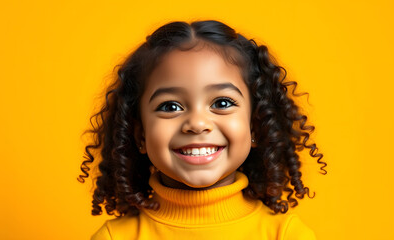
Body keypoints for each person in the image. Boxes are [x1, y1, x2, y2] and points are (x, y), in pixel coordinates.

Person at [78, 20, 327, 240]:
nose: (197, 123)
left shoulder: (286, 235)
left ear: (255, 126)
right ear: (140, 134)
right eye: (170, 106)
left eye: (222, 103)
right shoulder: (115, 237)